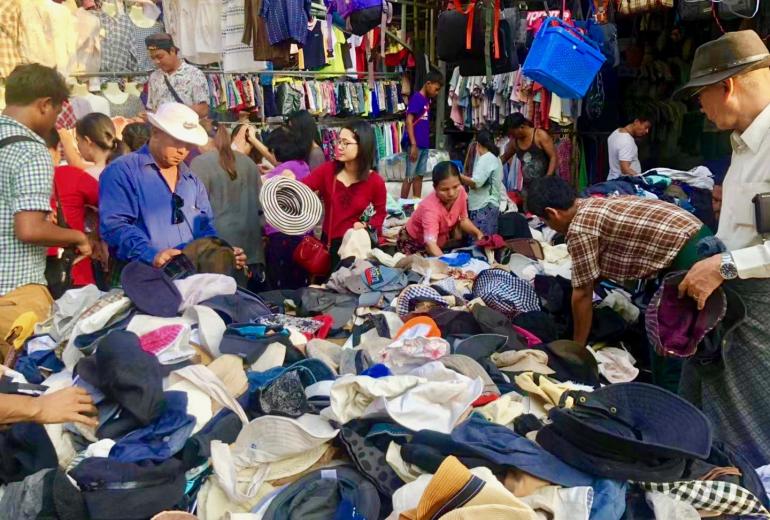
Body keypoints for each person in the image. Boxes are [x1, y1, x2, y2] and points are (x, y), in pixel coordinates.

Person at [674, 30, 770, 466]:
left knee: (747, 436)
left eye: (700, 96)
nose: (700, 108)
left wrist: (724, 266)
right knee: (704, 419)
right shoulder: (746, 145)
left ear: (726, 86)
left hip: (757, 319)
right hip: (732, 311)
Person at [527, 177, 708, 353]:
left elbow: (582, 294)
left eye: (545, 221)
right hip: (701, 235)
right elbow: (600, 268)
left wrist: (577, 347)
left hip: (689, 253)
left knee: (668, 340)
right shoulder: (589, 204)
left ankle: (665, 382)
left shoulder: (580, 228)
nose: (548, 226)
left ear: (552, 213)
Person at [0, 64, 91, 343]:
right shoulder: (31, 150)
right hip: (14, 294)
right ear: (44, 105)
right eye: (57, 112)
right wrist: (77, 236)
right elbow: (29, 229)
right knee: (23, 381)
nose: (56, 122)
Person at [99, 102, 246, 272]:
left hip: (189, 276)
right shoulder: (122, 172)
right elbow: (115, 226)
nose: (183, 150)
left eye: (188, 144)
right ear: (155, 132)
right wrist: (151, 255)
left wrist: (222, 252)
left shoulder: (192, 181)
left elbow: (206, 228)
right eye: (177, 141)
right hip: (141, 275)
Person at [302, 120, 386, 267]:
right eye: (338, 141)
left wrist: (366, 225)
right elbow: (302, 187)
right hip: (330, 246)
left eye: (345, 143)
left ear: (362, 146)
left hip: (358, 248)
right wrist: (289, 179)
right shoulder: (328, 171)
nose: (339, 147)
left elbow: (379, 214)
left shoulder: (375, 182)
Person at [190, 123, 264, 287]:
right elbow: (261, 207)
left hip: (218, 254)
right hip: (251, 248)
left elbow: (194, 210)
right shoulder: (249, 163)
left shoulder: (199, 164)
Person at [261, 126, 313, 289]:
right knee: (297, 282)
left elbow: (261, 186)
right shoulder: (302, 165)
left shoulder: (284, 170)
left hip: (283, 236)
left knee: (282, 285)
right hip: (302, 235)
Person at [398, 161, 485, 257]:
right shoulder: (430, 208)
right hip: (414, 241)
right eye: (445, 189)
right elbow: (430, 244)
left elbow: (463, 219)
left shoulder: (461, 192)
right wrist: (448, 265)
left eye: (455, 186)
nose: (451, 193)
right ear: (435, 188)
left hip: (437, 241)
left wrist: (478, 234)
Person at [400, 70, 444, 200]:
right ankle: (400, 205)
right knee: (409, 176)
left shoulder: (427, 100)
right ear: (428, 84)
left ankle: (416, 203)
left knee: (419, 175)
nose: (436, 93)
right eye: (436, 89)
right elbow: (408, 121)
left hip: (424, 144)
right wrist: (413, 144)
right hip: (415, 145)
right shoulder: (416, 98)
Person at [145, 33, 209, 119]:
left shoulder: (194, 74)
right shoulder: (154, 77)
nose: (156, 61)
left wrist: (172, 113)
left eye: (160, 56)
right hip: (161, 130)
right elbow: (151, 108)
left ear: (172, 51)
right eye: (153, 58)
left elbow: (203, 110)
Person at [460, 130, 503, 236]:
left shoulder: (486, 158)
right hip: (491, 205)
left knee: (480, 241)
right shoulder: (495, 158)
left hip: (483, 206)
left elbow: (476, 183)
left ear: (478, 145)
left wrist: (458, 176)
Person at [500, 113, 558, 192]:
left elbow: (553, 157)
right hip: (528, 189)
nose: (512, 136)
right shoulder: (514, 143)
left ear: (521, 127)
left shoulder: (540, 136)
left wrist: (548, 178)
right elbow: (504, 158)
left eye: (513, 133)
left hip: (546, 187)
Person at [607, 115, 652, 180]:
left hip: (613, 179)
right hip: (623, 184)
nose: (647, 131)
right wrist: (642, 179)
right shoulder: (627, 141)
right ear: (636, 122)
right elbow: (625, 169)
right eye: (646, 127)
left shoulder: (615, 133)